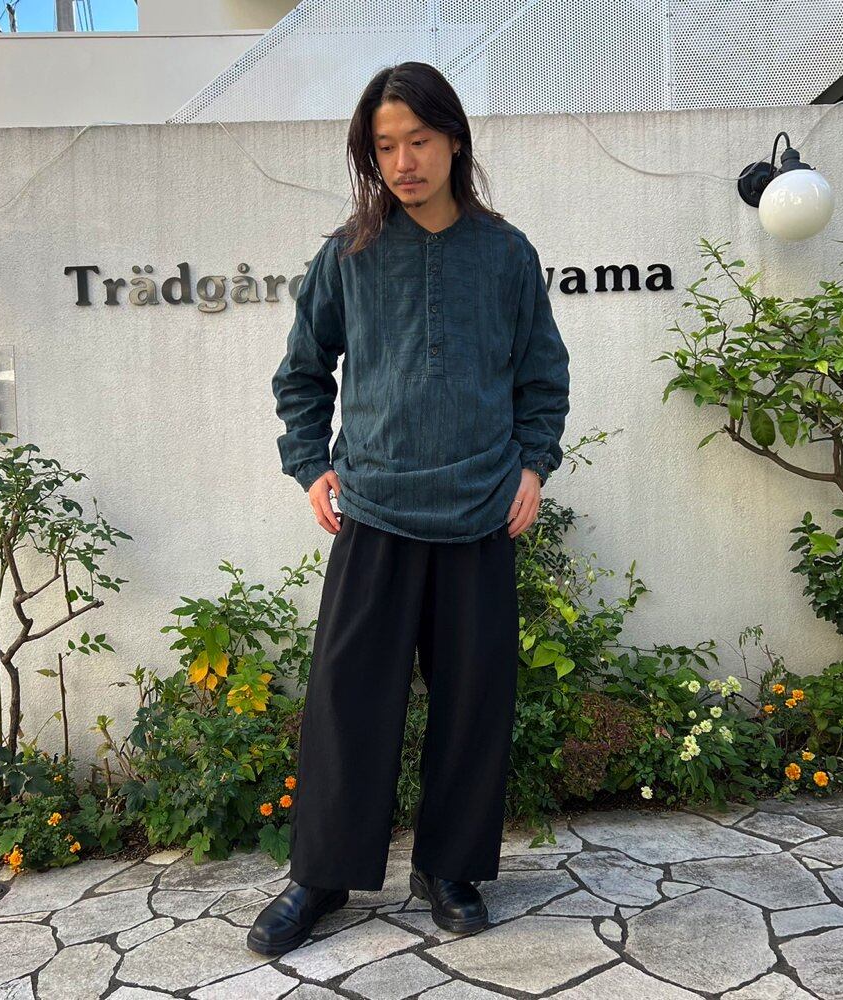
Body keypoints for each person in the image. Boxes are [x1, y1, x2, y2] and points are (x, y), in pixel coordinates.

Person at [249, 61, 570, 956]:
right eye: (385, 146)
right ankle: (321, 875)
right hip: (377, 509)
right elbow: (302, 373)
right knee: (348, 703)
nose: (403, 162)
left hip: (480, 509)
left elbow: (542, 374)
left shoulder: (506, 255)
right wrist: (310, 465)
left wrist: (533, 466)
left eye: (418, 141)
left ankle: (449, 868)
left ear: (453, 140)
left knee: (473, 702)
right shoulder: (347, 256)